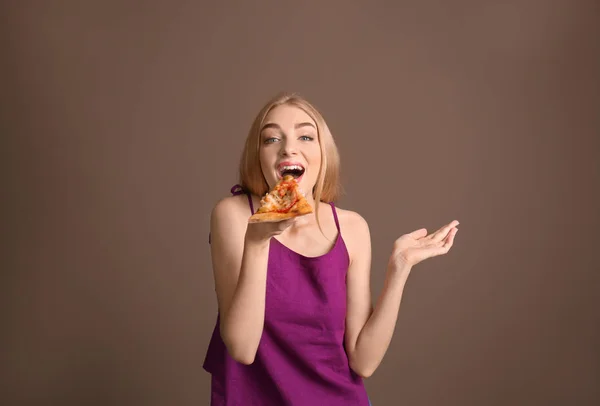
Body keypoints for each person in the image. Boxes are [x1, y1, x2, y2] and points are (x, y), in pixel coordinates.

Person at [203, 92, 459, 405]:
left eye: (306, 136)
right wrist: (257, 241)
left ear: (324, 154)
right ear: (258, 156)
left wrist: (400, 267)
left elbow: (363, 361)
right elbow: (242, 349)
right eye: (271, 139)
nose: (289, 148)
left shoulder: (352, 228)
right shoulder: (233, 215)